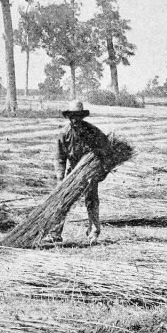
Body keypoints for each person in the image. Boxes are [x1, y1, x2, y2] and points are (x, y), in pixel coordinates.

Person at [47, 100, 110, 244]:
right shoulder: (64, 134)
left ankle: (93, 232)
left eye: (78, 116)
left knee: (92, 200)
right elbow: (60, 158)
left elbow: (106, 147)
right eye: (72, 116)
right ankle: (55, 234)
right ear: (69, 117)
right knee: (62, 200)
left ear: (82, 116)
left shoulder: (92, 131)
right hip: (73, 172)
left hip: (90, 171)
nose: (75, 120)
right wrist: (60, 179)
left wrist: (101, 169)